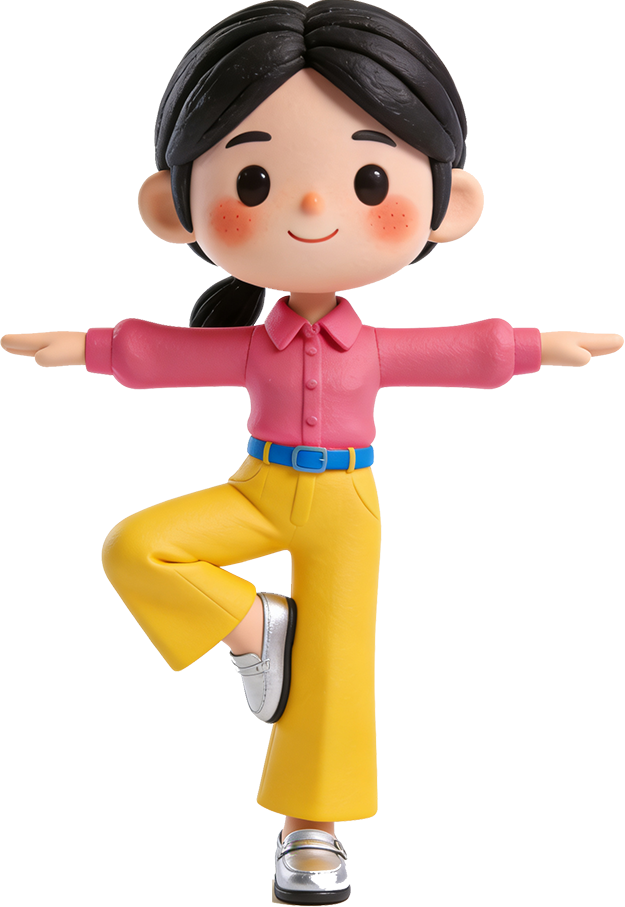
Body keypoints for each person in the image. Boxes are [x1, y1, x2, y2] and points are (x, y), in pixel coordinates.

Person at [2, 2, 622, 902]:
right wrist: (85, 346)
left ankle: (312, 832)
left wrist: (541, 344)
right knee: (139, 545)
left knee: (333, 675)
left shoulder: (368, 344)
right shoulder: (257, 341)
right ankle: (257, 629)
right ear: (171, 206)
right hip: (259, 488)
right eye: (252, 180)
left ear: (450, 206)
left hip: (345, 508)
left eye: (369, 180)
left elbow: (464, 352)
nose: (310, 207)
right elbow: (167, 356)